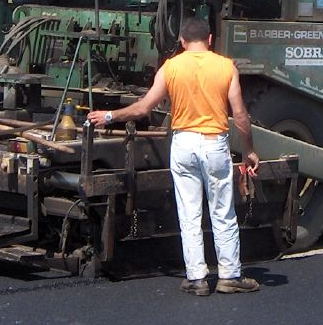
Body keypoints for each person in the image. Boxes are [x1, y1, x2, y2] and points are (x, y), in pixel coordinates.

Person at [88, 15, 262, 295]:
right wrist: (250, 150)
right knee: (222, 212)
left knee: (189, 214)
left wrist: (109, 115)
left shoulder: (170, 67)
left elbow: (143, 109)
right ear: (210, 39)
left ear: (181, 41)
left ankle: (197, 279)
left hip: (183, 145)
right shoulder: (226, 67)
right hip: (215, 142)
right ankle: (229, 275)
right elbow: (240, 115)